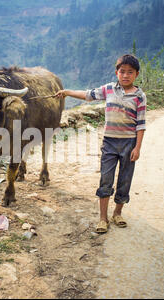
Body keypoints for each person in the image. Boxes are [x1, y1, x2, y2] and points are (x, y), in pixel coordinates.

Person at [55, 54, 146, 233]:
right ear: (116, 72)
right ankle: (103, 218)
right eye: (122, 71)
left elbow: (141, 124)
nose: (125, 75)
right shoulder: (109, 89)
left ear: (136, 74)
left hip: (129, 143)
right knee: (106, 179)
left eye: (130, 72)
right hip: (110, 143)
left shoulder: (139, 95)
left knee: (125, 180)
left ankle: (118, 213)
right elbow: (88, 95)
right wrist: (67, 92)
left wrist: (137, 147)